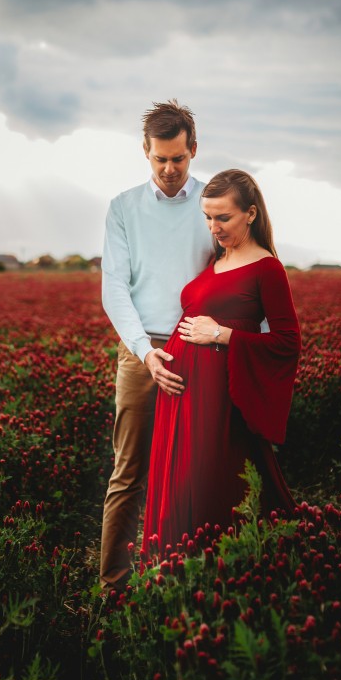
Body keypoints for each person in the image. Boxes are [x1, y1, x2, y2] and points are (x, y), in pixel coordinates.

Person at [141, 169, 301, 559]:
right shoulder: (217, 258)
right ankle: (170, 575)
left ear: (250, 213)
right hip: (179, 391)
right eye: (208, 218)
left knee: (206, 481)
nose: (214, 227)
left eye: (223, 217)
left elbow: (287, 342)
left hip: (217, 396)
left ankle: (210, 575)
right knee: (177, 480)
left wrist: (222, 335)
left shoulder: (267, 268)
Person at [100, 100, 215, 591]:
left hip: (201, 348)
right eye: (159, 159)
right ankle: (114, 587)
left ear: (193, 150)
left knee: (198, 469)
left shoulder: (213, 201)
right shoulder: (123, 207)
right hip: (140, 350)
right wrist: (146, 350)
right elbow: (114, 287)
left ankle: (186, 580)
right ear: (145, 152)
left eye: (179, 159)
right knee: (128, 471)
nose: (169, 170)